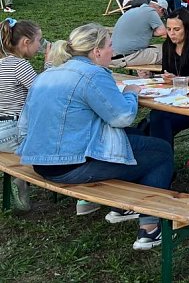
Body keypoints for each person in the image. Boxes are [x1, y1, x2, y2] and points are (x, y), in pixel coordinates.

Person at [17, 24, 173, 249]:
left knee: (135, 137)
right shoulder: (92, 73)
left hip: (40, 160)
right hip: (69, 165)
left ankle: (123, 207)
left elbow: (26, 123)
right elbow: (121, 117)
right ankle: (150, 228)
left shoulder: (48, 74)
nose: (113, 49)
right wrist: (130, 94)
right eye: (110, 45)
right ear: (96, 52)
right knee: (161, 151)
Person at [148, 8, 189, 147]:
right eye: (169, 29)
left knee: (159, 119)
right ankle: (160, 158)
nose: (171, 33)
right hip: (175, 97)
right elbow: (165, 71)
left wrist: (178, 79)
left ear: (187, 28)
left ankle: (163, 159)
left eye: (176, 29)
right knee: (154, 118)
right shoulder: (168, 45)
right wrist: (167, 77)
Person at [0, 18, 42, 210]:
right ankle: (21, 177)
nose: (40, 46)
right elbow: (42, 92)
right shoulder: (19, 65)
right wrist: (49, 65)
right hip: (13, 131)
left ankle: (20, 180)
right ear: (26, 42)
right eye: (38, 41)